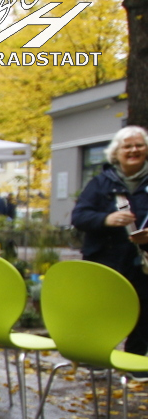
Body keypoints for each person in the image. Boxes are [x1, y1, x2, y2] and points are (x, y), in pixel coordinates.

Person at [71, 125, 148, 355]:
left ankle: (135, 364)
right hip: (105, 260)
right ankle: (96, 357)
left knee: (143, 315)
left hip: (142, 264)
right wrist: (106, 219)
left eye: (139, 145)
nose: (134, 150)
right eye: (127, 146)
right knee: (100, 311)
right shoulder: (100, 182)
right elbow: (79, 217)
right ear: (116, 152)